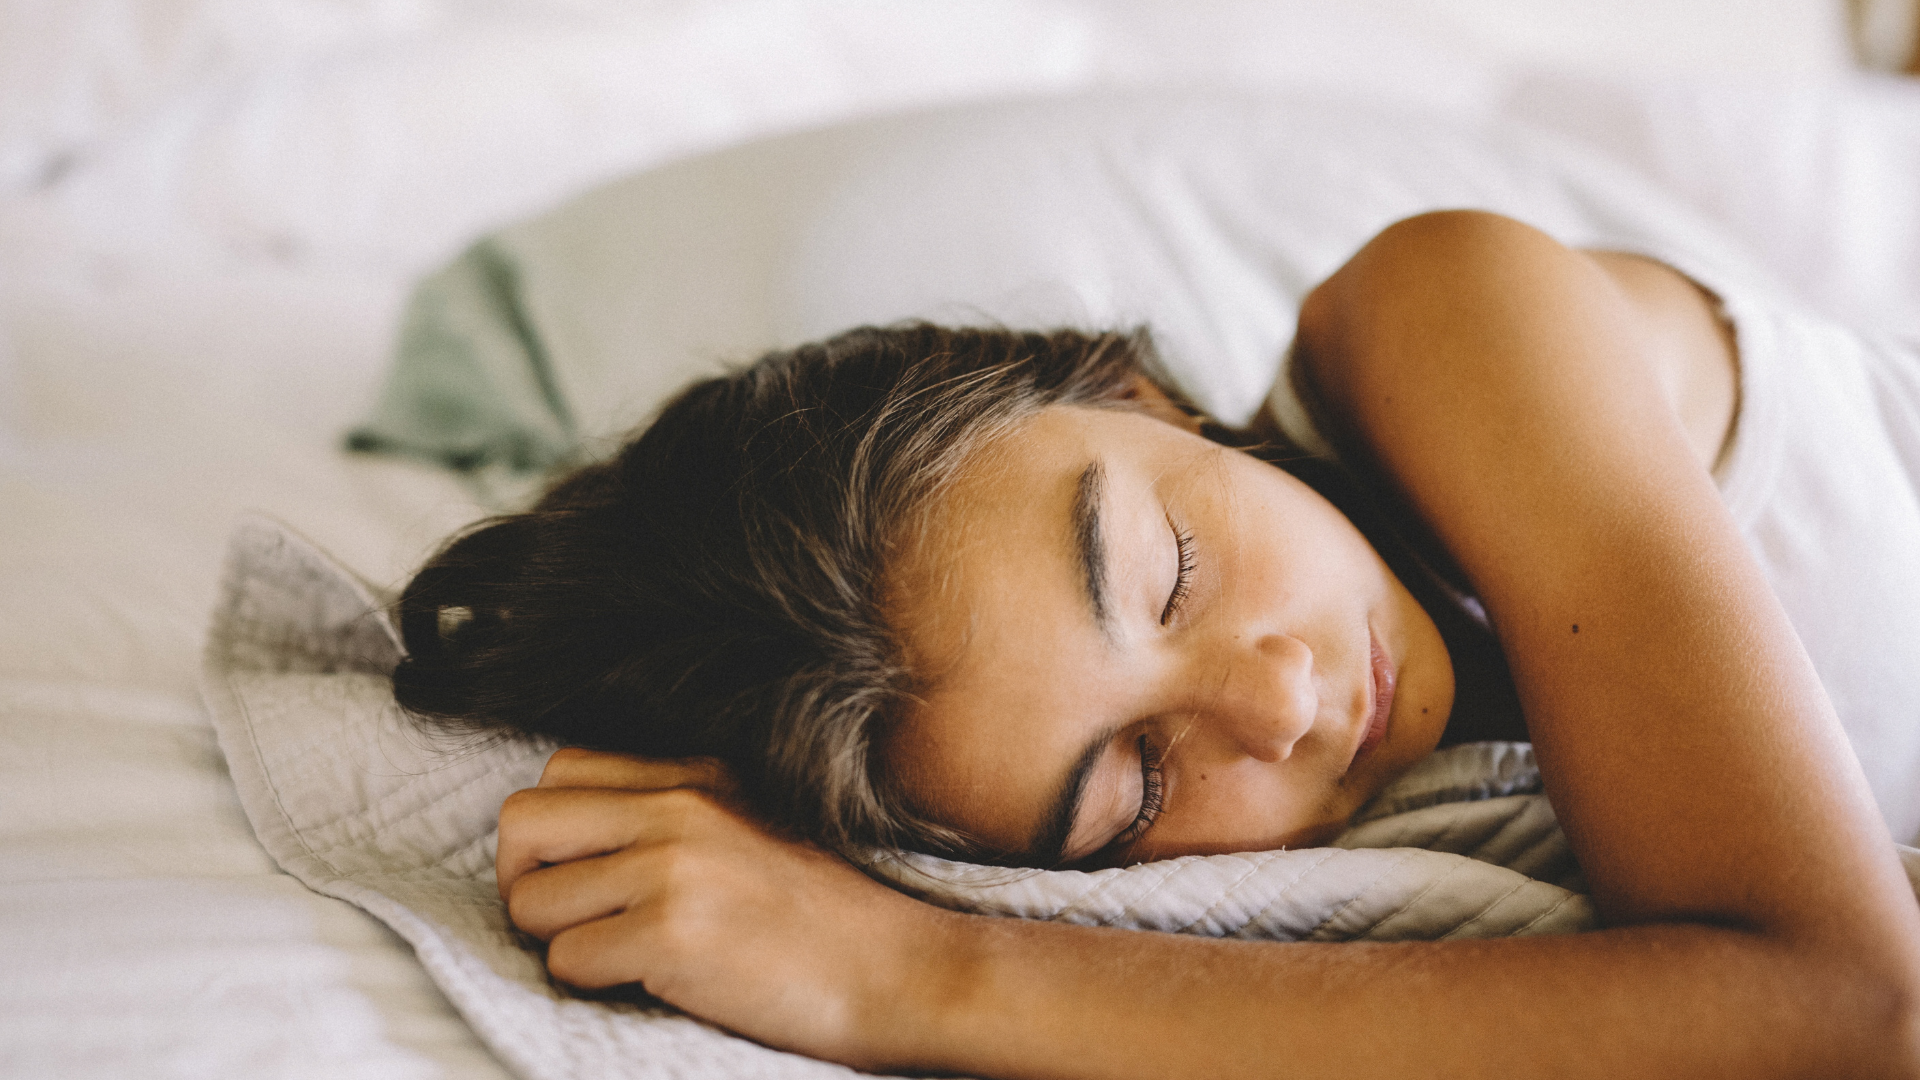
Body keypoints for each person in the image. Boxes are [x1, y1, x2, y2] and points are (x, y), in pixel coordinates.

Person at [394, 210, 1920, 1076]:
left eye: (1170, 568)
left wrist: (909, 978)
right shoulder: (1360, 855)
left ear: (1138, 401)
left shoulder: (1449, 315)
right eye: (1132, 787)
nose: (1279, 703)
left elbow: (1845, 1010)